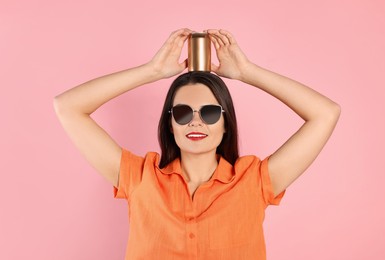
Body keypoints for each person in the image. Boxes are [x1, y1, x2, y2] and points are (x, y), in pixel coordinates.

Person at [54, 28, 340, 259]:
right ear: (170, 123)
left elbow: (325, 114)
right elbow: (67, 106)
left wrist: (246, 72)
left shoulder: (254, 181)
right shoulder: (140, 177)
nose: (195, 122)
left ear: (226, 122)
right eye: (182, 112)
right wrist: (152, 71)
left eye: (210, 112)